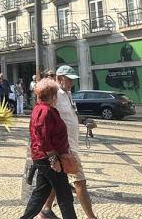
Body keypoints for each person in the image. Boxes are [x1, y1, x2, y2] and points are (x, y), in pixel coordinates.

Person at [39, 65, 97, 219]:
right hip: (65, 147)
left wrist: (85, 120)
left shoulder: (67, 93)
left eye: (73, 80)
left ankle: (45, 209)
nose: (71, 82)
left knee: (58, 180)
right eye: (69, 79)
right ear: (59, 79)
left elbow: (73, 114)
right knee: (80, 181)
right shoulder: (55, 95)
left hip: (71, 145)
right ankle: (91, 217)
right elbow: (44, 116)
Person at [21, 78, 77, 219]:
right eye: (55, 94)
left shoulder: (44, 109)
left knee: (40, 194)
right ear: (51, 95)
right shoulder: (44, 111)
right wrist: (54, 160)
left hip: (45, 158)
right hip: (48, 159)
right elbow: (43, 140)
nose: (57, 97)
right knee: (65, 195)